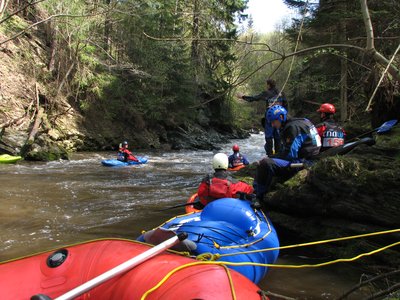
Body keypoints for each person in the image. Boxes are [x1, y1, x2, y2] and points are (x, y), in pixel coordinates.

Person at [252, 105, 321, 208]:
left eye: (273, 121)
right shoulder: (304, 120)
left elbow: (290, 154)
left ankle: (258, 196)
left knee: (266, 164)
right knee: (270, 160)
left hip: (304, 162)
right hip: (313, 157)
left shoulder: (291, 128)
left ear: (281, 117)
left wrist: (270, 158)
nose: (273, 125)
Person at [237, 79, 288, 156]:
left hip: (270, 117)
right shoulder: (281, 93)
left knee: (269, 136)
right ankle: (278, 154)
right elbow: (286, 104)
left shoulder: (267, 93)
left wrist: (243, 97)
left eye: (266, 85)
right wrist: (285, 115)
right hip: (280, 117)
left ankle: (270, 154)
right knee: (278, 136)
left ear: (268, 85)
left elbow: (254, 98)